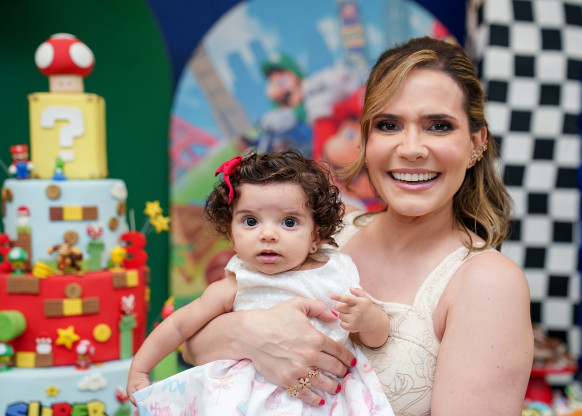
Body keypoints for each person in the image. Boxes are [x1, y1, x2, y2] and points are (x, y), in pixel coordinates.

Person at [181, 37, 534, 415]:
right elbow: (190, 345)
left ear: (476, 143)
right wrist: (254, 336)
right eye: (389, 125)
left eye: (438, 126)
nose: (411, 149)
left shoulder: (487, 282)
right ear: (366, 139)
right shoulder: (325, 230)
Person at [127, 150, 395, 415]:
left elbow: (376, 338)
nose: (268, 234)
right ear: (231, 235)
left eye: (289, 222)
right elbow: (178, 326)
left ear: (315, 237)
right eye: (251, 221)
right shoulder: (237, 285)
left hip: (329, 398)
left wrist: (369, 320)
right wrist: (139, 369)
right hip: (249, 400)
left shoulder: (335, 272)